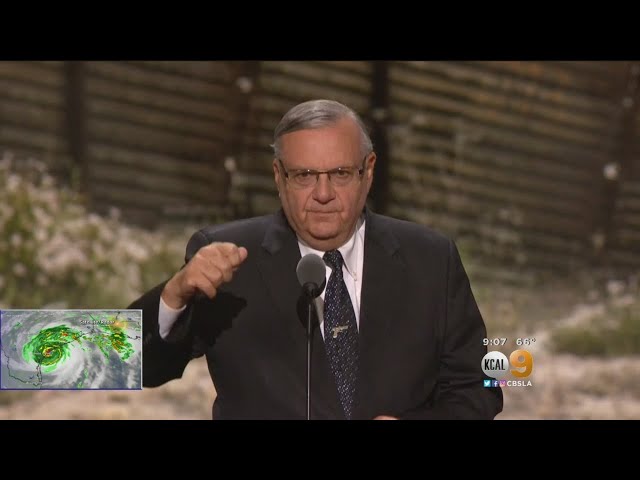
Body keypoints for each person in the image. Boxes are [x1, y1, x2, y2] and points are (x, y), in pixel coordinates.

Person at [129, 99, 503, 420]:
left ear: (368, 171)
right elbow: (104, 360)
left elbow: (480, 387)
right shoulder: (227, 258)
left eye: (340, 173)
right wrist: (174, 294)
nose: (323, 194)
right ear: (279, 176)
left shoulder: (431, 259)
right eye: (305, 175)